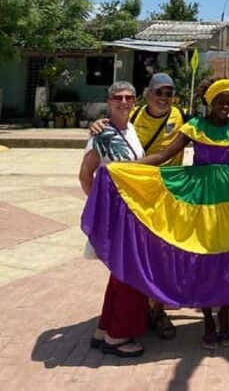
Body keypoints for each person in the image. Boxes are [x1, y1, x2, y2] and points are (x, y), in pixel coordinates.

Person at [81, 78, 229, 350]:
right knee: (203, 256)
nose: (225, 106)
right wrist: (126, 169)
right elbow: (164, 156)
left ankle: (224, 319)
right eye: (221, 101)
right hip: (196, 199)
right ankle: (208, 320)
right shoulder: (194, 126)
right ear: (209, 102)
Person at [90, 71, 186, 339]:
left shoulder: (180, 116)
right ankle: (143, 312)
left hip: (167, 199)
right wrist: (97, 125)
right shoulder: (132, 118)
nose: (164, 98)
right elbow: (105, 142)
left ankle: (155, 309)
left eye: (169, 93)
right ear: (147, 94)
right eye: (159, 92)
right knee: (139, 259)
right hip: (137, 202)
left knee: (164, 256)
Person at [79, 82, 147, 358]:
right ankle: (117, 336)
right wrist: (100, 207)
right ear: (109, 101)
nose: (123, 102)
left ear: (134, 101)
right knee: (131, 274)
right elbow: (86, 174)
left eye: (128, 97)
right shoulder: (103, 133)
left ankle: (105, 328)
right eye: (118, 97)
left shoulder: (130, 129)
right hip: (117, 215)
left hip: (131, 213)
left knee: (119, 275)